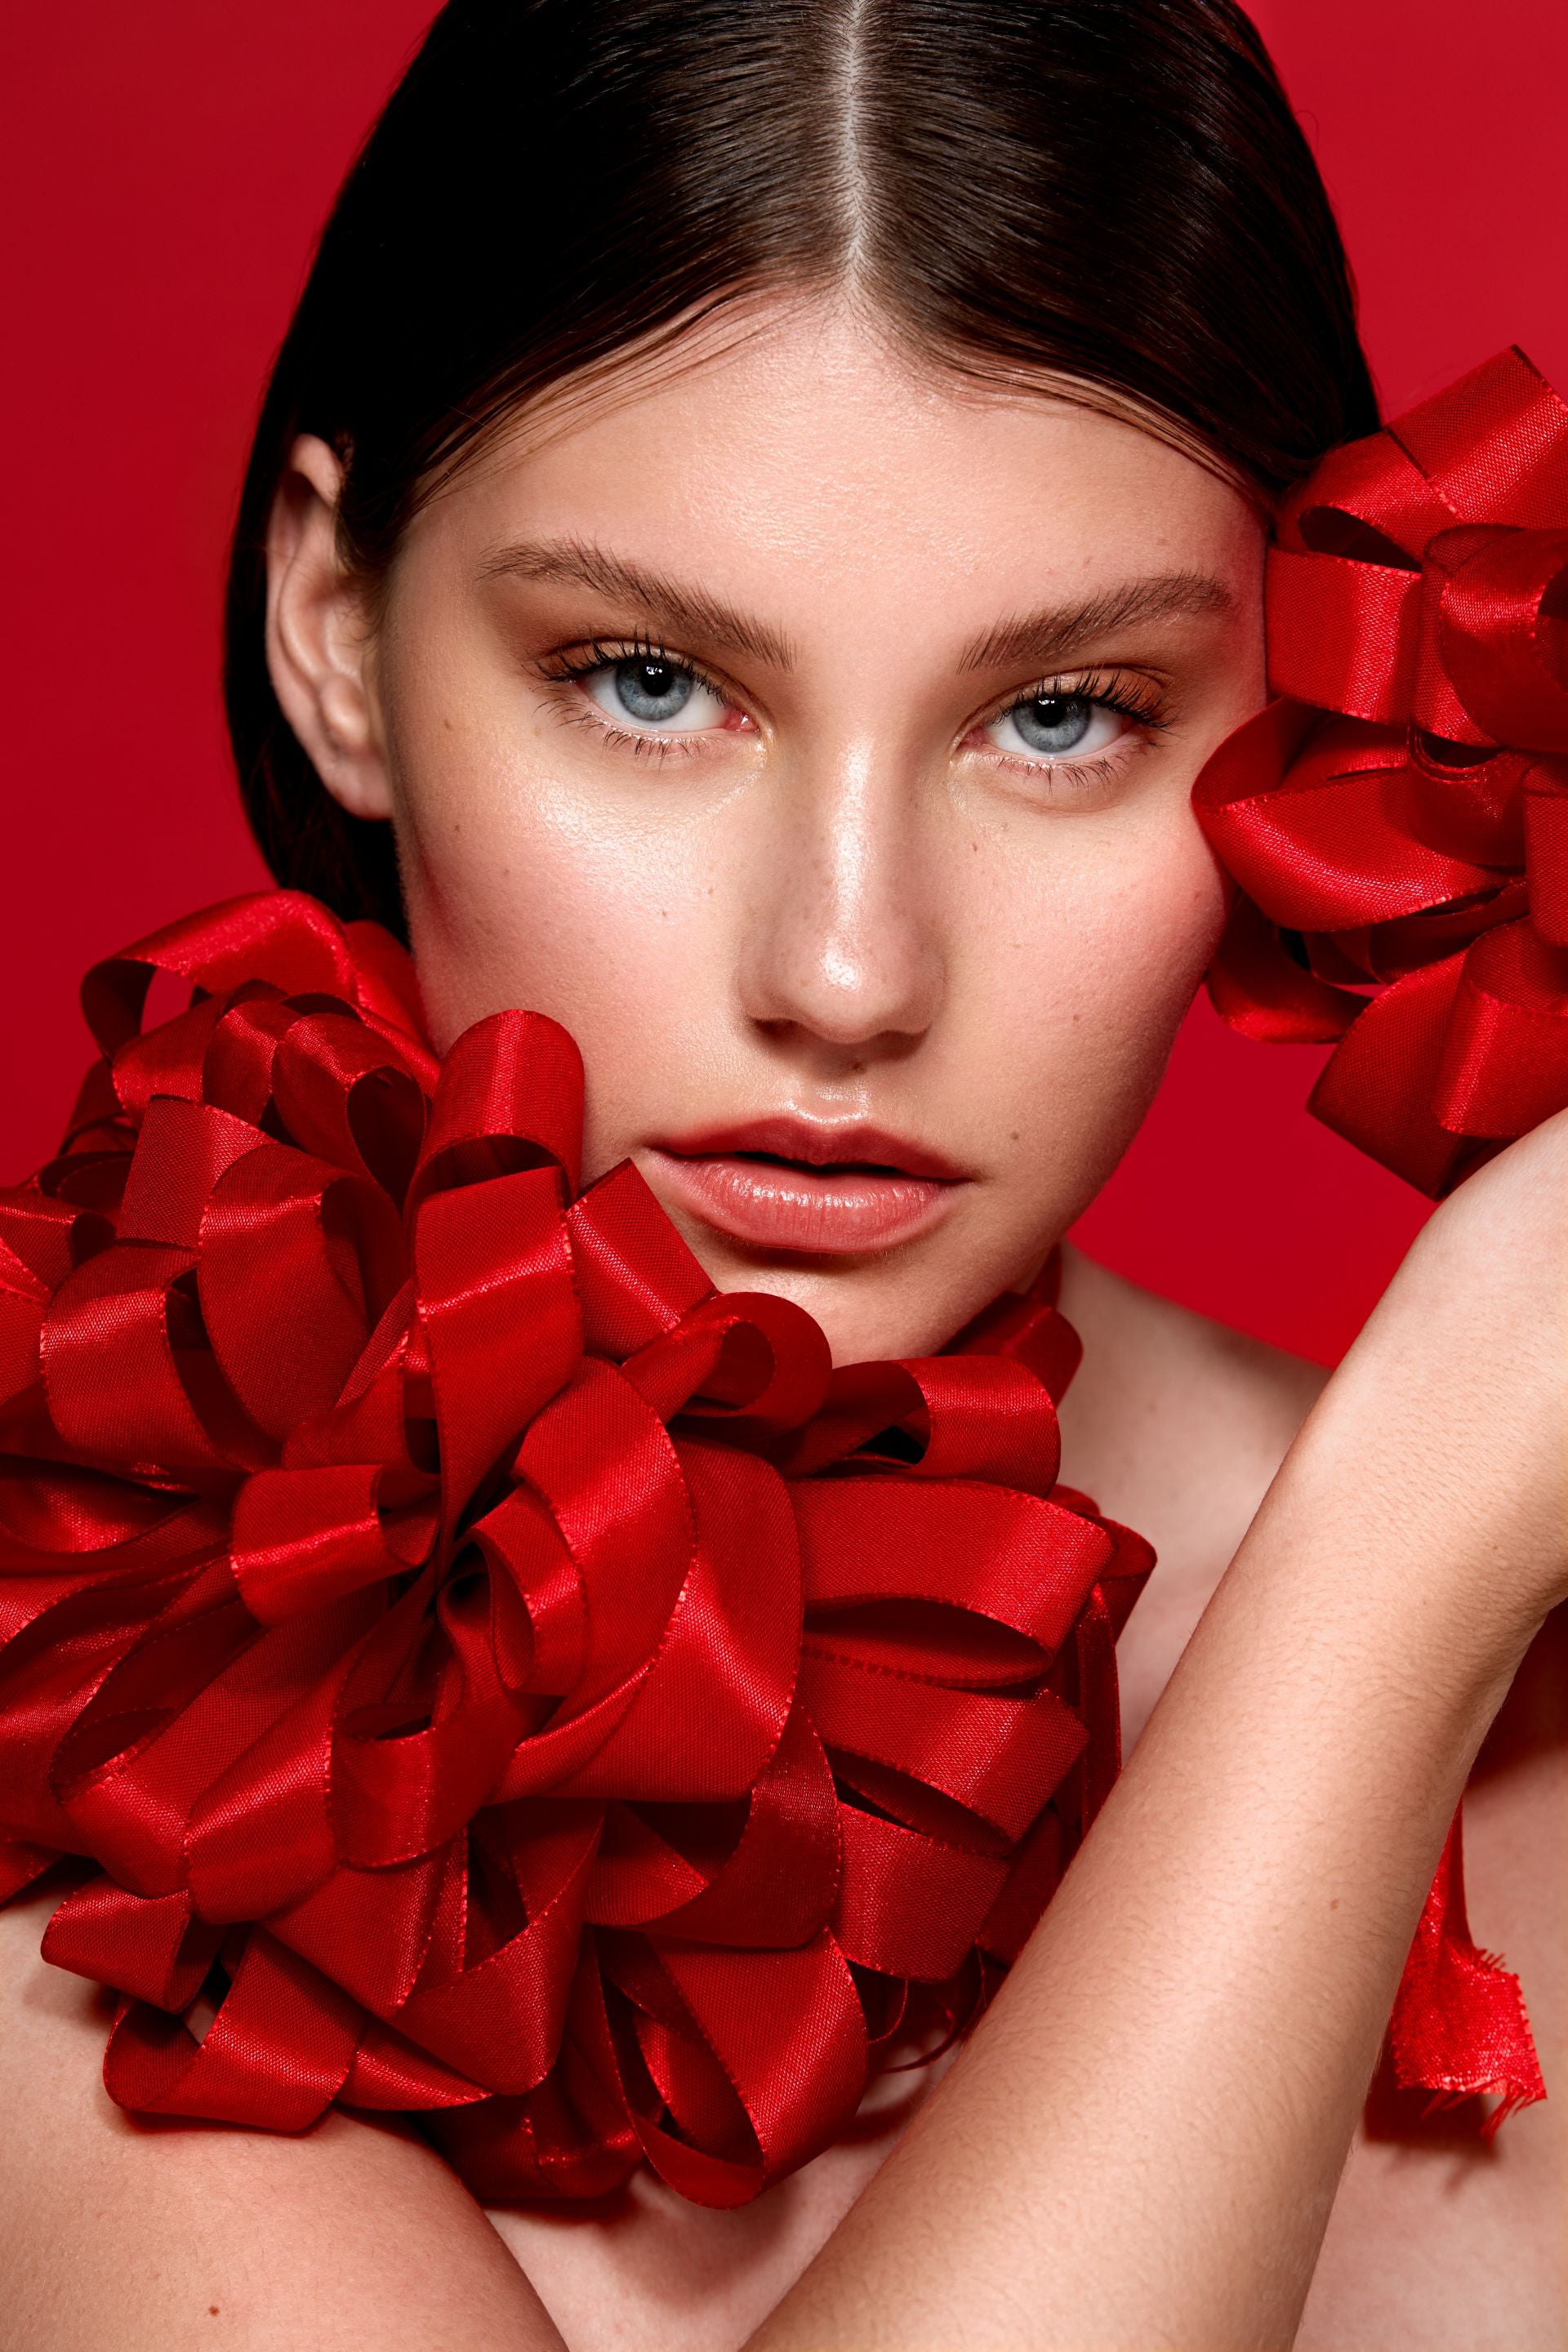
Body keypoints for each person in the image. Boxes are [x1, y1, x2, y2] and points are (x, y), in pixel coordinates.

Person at [0, 2, 1561, 2346]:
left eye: (1063, 717)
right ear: (336, 630)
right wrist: (1400, 1549)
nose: (847, 969)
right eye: (647, 681)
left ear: (1308, 719)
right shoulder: (80, 1701)